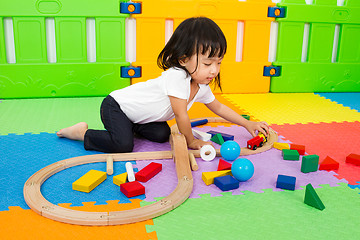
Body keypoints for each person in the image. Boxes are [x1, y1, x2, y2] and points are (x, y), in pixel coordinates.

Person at [57, 17, 269, 153]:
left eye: (219, 63)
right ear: (184, 59)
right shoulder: (177, 77)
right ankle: (81, 133)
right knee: (123, 146)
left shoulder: (201, 86)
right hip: (116, 106)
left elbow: (220, 108)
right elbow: (181, 116)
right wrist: (191, 141)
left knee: (161, 135)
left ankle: (130, 127)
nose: (214, 70)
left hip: (137, 117)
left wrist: (247, 124)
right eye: (207, 63)